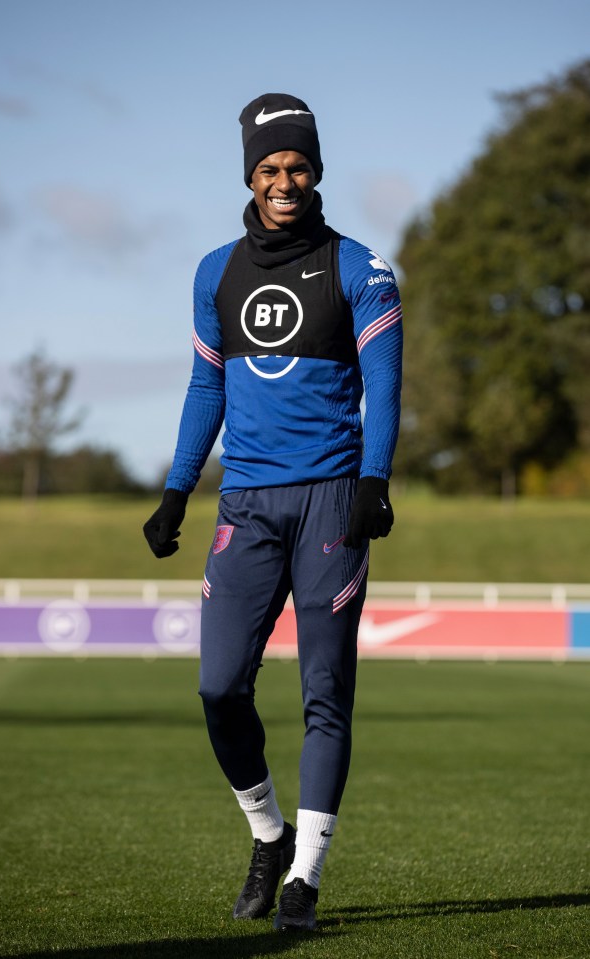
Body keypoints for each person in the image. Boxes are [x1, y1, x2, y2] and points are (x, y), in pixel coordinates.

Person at [143, 92, 403, 932]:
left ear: (315, 171)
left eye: (296, 167)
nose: (283, 181)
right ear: (250, 177)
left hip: (330, 497)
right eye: (268, 169)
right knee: (220, 687)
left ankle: (304, 879)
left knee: (325, 692)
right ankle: (267, 831)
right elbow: (204, 384)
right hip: (245, 505)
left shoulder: (360, 269)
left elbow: (385, 384)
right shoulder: (214, 272)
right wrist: (178, 488)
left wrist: (374, 479)